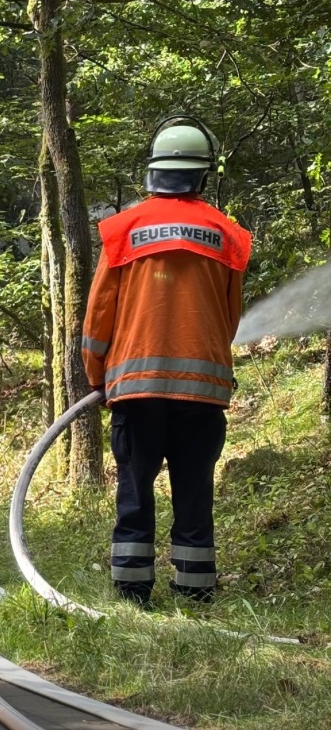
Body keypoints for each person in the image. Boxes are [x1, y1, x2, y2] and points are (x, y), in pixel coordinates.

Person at [81, 115, 251, 605]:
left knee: (134, 493)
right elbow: (229, 315)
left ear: (153, 171)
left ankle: (132, 593)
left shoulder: (122, 231)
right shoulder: (229, 236)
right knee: (194, 494)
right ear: (204, 174)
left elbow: (98, 316)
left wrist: (99, 379)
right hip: (202, 394)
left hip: (134, 390)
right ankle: (195, 596)